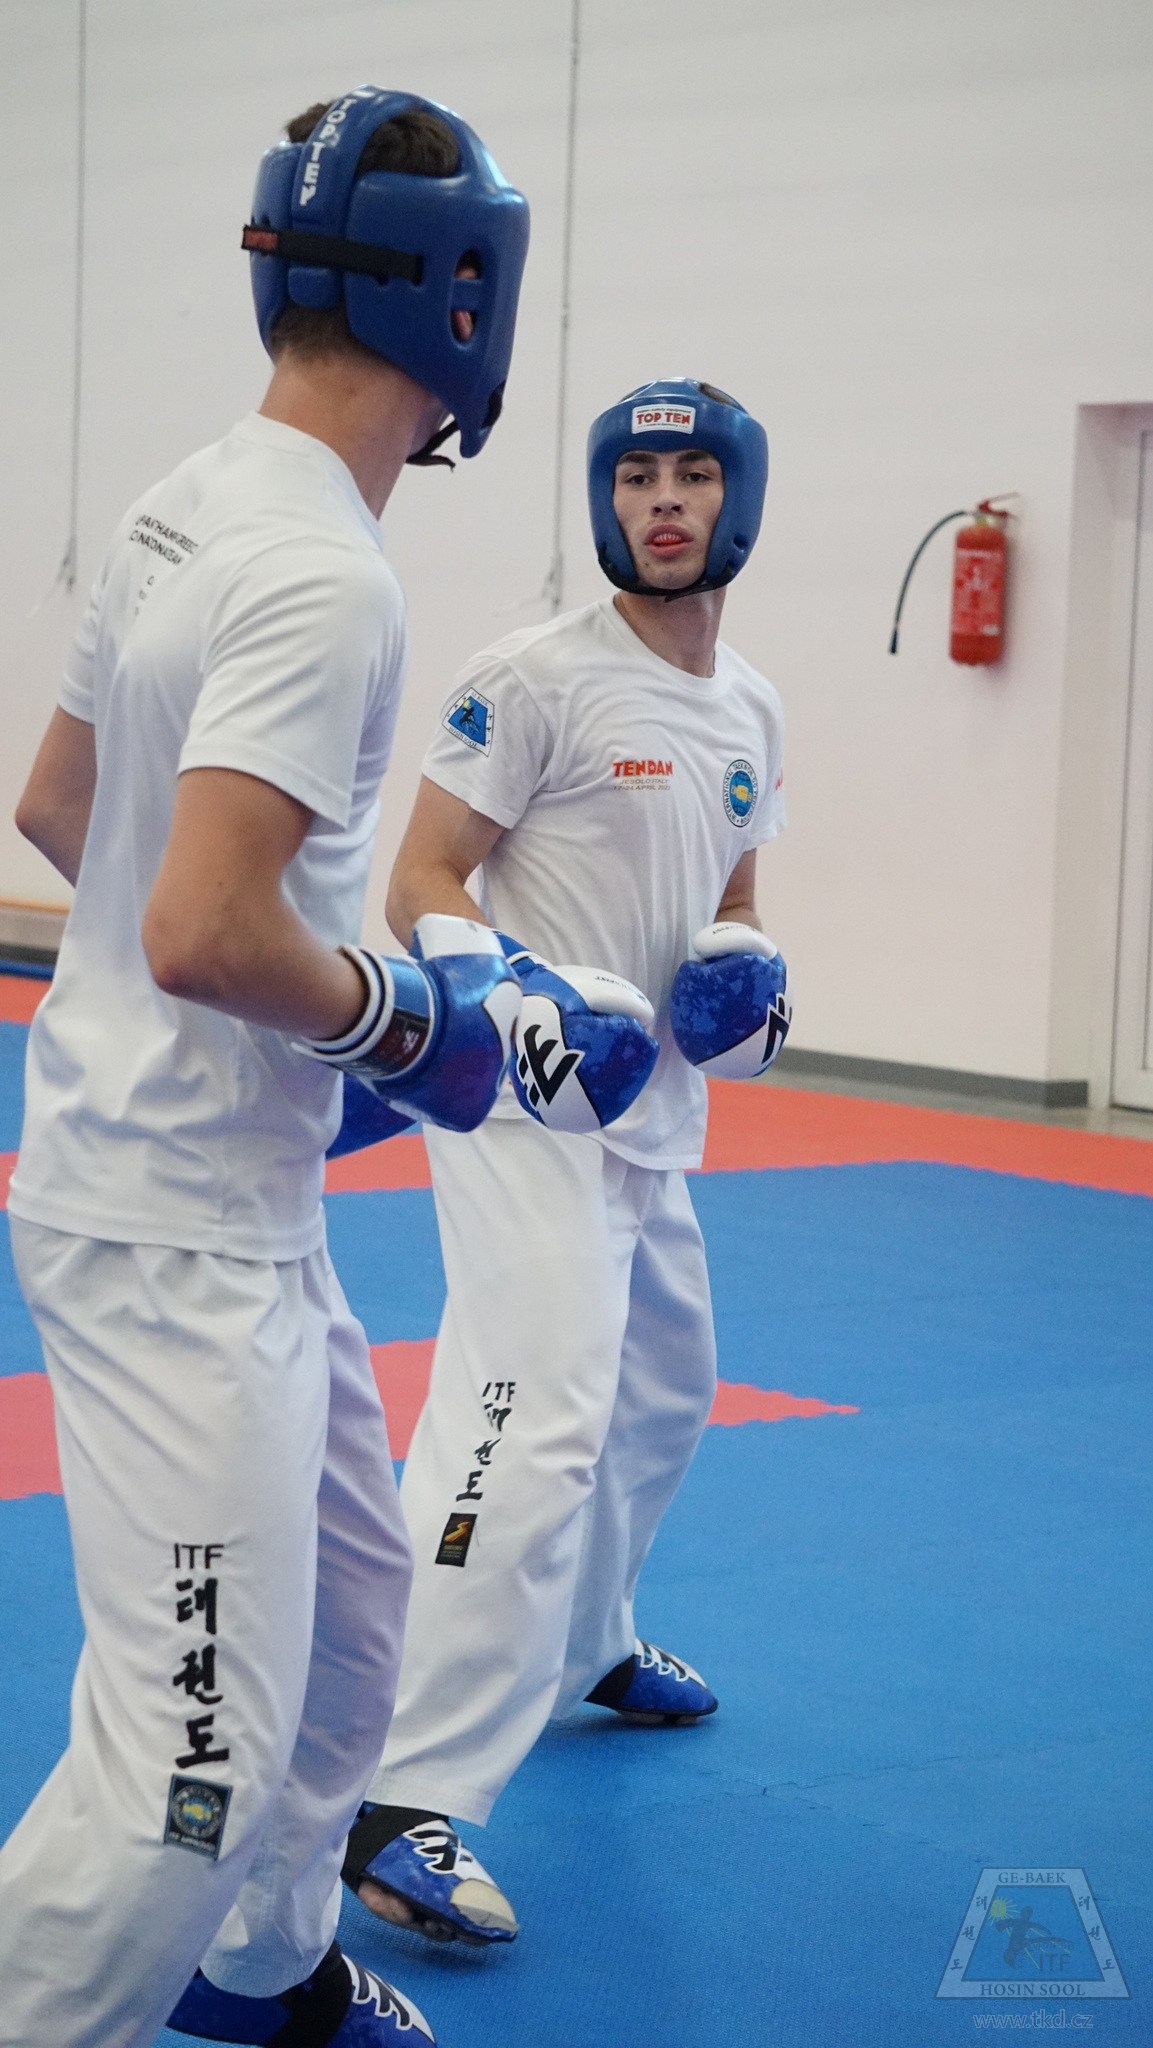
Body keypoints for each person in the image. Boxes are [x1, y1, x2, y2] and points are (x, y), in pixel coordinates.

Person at [0, 86, 528, 2048]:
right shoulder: (324, 570)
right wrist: (397, 1020)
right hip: (175, 1234)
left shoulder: (186, 497)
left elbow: (65, 812)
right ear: (464, 297)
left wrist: (312, 1030)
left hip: (222, 1190)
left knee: (360, 1624)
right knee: (187, 1769)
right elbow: (205, 930)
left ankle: (265, 1970)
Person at [341, 378, 792, 1947]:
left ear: (736, 500)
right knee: (522, 1426)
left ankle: (588, 1638)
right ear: (605, 501)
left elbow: (732, 898)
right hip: (529, 1112)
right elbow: (419, 880)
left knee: (666, 1393)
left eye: (690, 475)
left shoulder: (750, 708)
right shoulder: (531, 676)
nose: (660, 501)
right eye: (635, 476)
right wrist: (516, 990)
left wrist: (750, 979)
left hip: (651, 1121)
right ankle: (396, 1791)